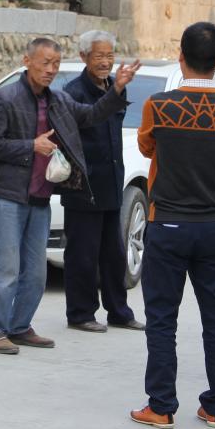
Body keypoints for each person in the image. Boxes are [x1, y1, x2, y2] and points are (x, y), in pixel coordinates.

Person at [0, 37, 140, 354]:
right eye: (45, 63)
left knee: (36, 273)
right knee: (6, 269)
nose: (51, 69)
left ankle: (19, 326)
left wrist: (117, 89)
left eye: (55, 64)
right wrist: (31, 146)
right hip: (9, 196)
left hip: (40, 197)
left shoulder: (58, 99)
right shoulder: (7, 97)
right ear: (27, 61)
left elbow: (92, 115)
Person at [130, 22, 215, 429]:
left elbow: (146, 146)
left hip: (168, 223)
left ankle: (161, 406)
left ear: (181, 56)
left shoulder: (158, 105)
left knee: (162, 318)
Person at [61, 30, 143, 333]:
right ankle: (80, 313)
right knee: (82, 255)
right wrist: (116, 90)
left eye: (110, 56)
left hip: (110, 182)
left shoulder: (113, 86)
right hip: (83, 186)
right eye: (99, 56)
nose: (105, 62)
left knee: (114, 254)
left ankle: (118, 312)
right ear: (84, 57)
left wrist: (118, 87)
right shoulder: (72, 92)